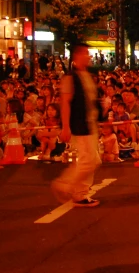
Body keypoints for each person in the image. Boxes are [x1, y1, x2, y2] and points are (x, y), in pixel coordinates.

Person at [51, 43, 101, 207]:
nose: (89, 56)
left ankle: (80, 193)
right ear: (77, 56)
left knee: (93, 160)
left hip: (90, 122)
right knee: (89, 160)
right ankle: (65, 184)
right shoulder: (70, 77)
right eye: (86, 53)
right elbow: (65, 102)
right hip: (79, 123)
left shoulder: (87, 75)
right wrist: (66, 126)